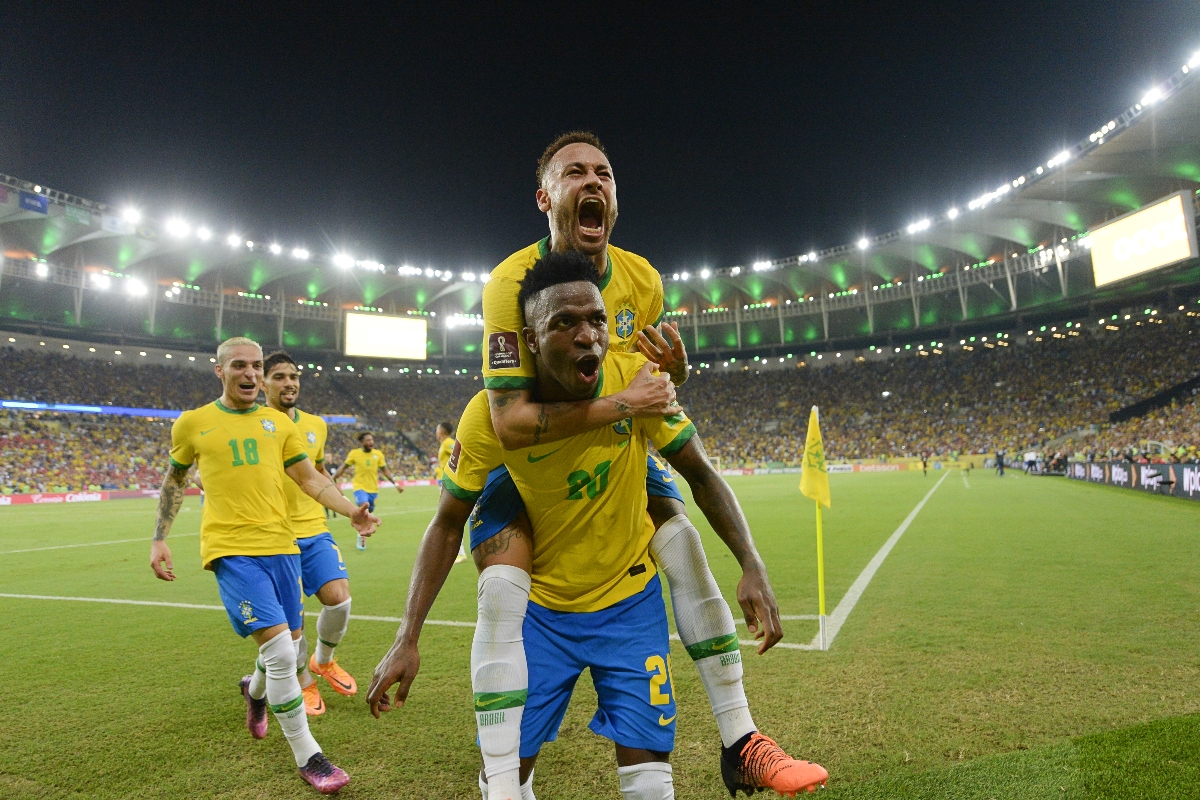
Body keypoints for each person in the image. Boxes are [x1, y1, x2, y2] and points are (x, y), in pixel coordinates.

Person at [367, 252, 827, 800]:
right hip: (542, 615)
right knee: (505, 774)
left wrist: (751, 562)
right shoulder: (489, 419)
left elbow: (702, 474)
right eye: (564, 323)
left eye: (597, 320)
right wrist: (407, 637)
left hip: (629, 606)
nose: (587, 336)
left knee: (652, 787)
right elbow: (447, 523)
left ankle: (742, 741)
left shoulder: (636, 379)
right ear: (530, 340)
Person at [471, 132, 807, 794]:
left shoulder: (643, 280)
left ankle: (741, 738)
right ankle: (504, 779)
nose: (593, 182)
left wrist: (670, 377)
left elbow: (648, 383)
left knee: (680, 541)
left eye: (604, 173)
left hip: (615, 437)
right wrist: (627, 399)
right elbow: (509, 419)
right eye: (575, 172)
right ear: (545, 198)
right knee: (503, 587)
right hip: (531, 460)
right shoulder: (509, 284)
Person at [148, 337, 380, 794]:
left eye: (256, 366)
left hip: (283, 546)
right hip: (231, 550)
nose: (250, 374)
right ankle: (309, 757)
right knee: (282, 654)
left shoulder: (279, 424)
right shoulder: (193, 423)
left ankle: (254, 693)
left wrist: (349, 510)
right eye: (240, 366)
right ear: (220, 370)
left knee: (287, 647)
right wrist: (159, 539)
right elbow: (174, 481)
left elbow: (310, 478)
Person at [262, 351, 361, 715]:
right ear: (263, 383)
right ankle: (303, 681)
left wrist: (346, 507)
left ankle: (324, 660)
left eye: (294, 376)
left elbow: (317, 472)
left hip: (313, 526)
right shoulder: (254, 425)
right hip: (274, 533)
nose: (289, 383)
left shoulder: (316, 425)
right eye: (279, 377)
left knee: (339, 598)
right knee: (292, 619)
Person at [331, 431, 402, 550]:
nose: (371, 442)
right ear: (362, 442)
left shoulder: (378, 454)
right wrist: (332, 478)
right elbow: (343, 467)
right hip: (359, 487)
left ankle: (363, 530)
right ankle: (361, 535)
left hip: (373, 490)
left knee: (369, 511)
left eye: (372, 440)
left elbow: (385, 470)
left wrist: (395, 483)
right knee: (364, 506)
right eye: (368, 440)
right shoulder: (354, 453)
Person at [435, 421, 469, 565]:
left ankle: (460, 553)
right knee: (449, 518)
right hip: (446, 482)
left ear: (441, 431)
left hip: (450, 483)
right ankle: (456, 552)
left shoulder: (448, 442)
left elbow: (460, 454)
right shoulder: (444, 444)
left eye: (437, 429)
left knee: (451, 518)